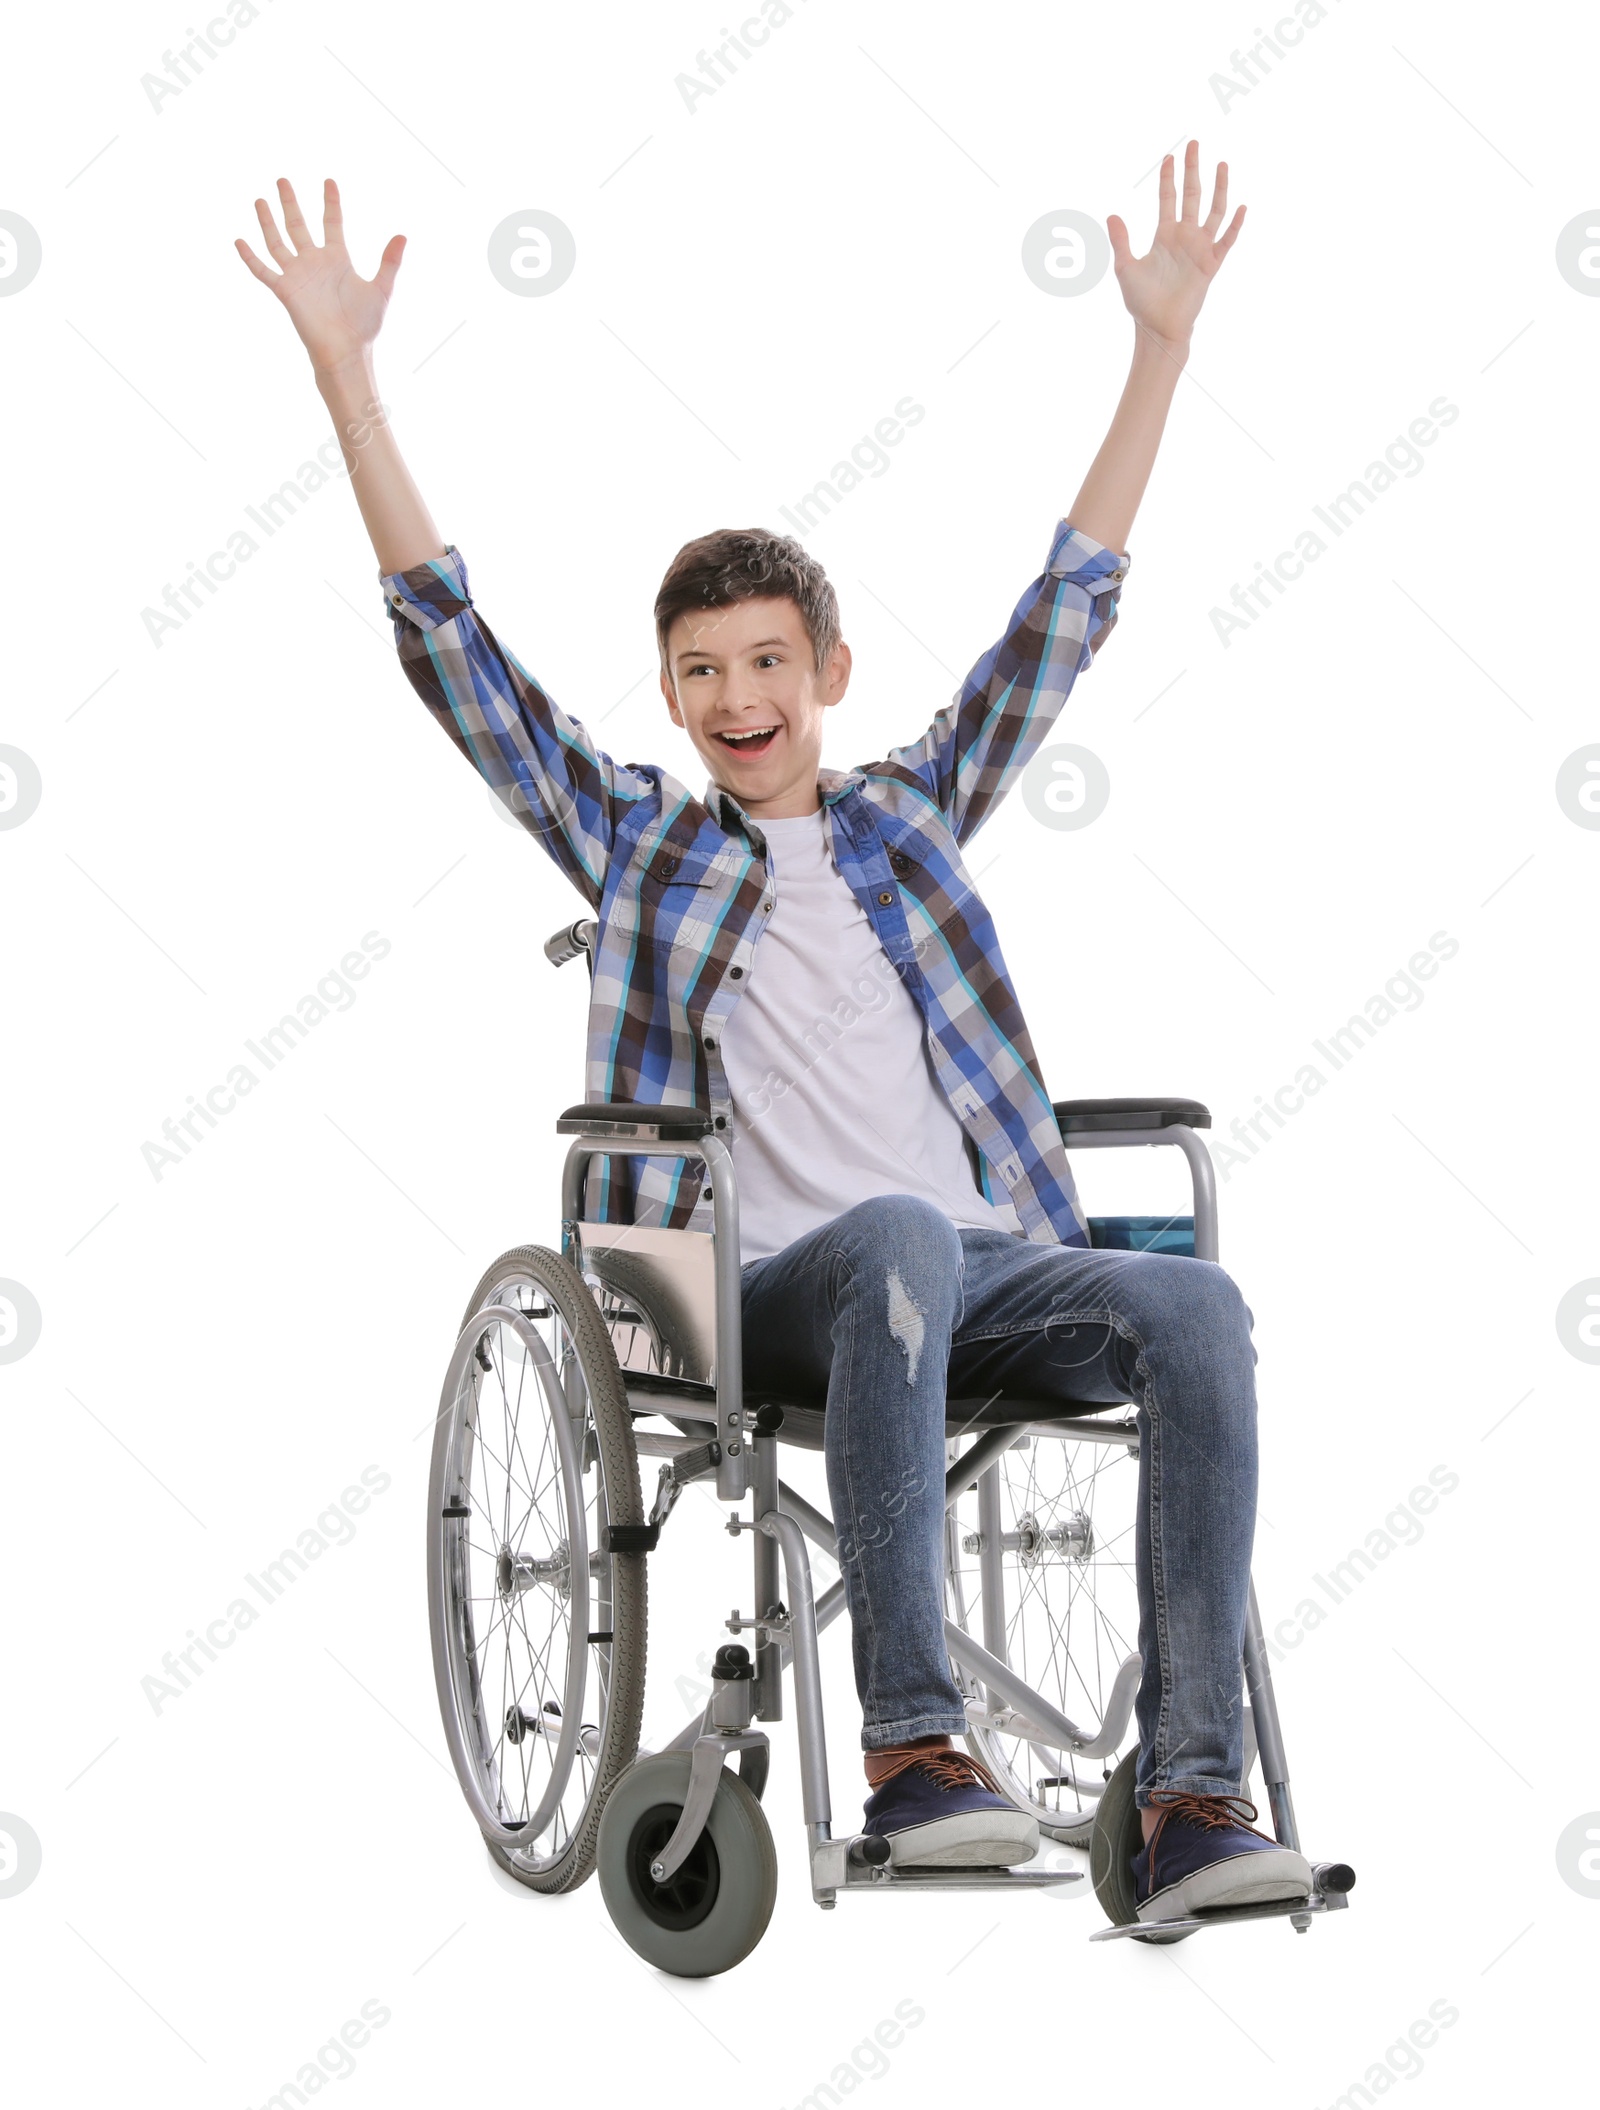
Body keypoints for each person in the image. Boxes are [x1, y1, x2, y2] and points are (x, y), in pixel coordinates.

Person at [237, 140, 1312, 1922]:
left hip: (979, 1267)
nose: (737, 697)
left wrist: (1162, 349)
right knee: (894, 1232)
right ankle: (915, 1754)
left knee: (1195, 1299)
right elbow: (455, 657)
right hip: (774, 1295)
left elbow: (1067, 614)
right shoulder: (645, 841)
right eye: (700, 671)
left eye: (765, 661)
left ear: (827, 671)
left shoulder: (908, 816)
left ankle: (1194, 1794)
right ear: (671, 697)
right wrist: (348, 373)